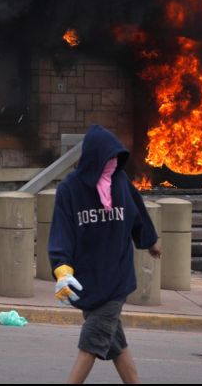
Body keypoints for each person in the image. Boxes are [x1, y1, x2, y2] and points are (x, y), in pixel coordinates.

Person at [48, 124, 161, 384]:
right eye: (107, 159)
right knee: (114, 342)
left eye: (115, 159)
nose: (112, 165)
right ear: (93, 158)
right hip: (88, 279)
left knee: (92, 340)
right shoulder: (70, 189)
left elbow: (138, 214)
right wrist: (62, 269)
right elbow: (61, 232)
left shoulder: (120, 182)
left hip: (117, 278)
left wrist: (150, 240)